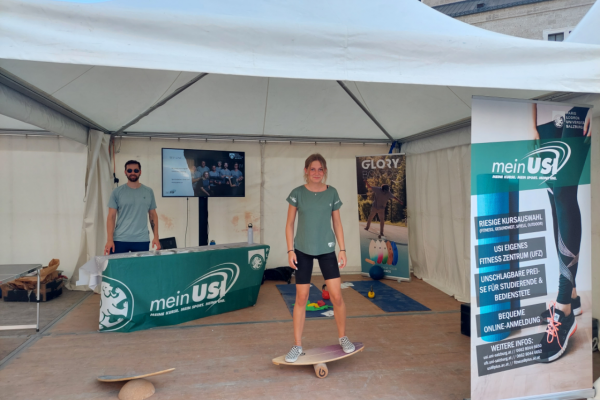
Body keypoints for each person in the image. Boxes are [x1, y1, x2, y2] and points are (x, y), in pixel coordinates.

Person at [533, 104, 591, 362]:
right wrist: (532, 122)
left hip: (576, 107)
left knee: (564, 193)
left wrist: (591, 108)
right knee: (553, 196)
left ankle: (564, 308)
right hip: (545, 115)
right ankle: (573, 296)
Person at [284, 153, 355, 363]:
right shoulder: (297, 193)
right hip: (302, 250)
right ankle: (297, 345)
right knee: (301, 298)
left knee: (336, 296)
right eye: (312, 169)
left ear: (325, 171)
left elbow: (337, 223)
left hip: (327, 249)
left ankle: (343, 337)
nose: (316, 173)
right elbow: (289, 224)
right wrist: (290, 250)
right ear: (306, 171)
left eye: (320, 169)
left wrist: (343, 249)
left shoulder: (332, 193)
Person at [104, 160, 161, 255]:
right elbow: (111, 216)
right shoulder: (117, 192)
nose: (132, 173)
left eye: (136, 170)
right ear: (125, 172)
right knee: (118, 265)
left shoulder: (148, 191)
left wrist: (156, 237)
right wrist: (109, 240)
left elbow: (153, 215)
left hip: (142, 239)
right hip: (120, 239)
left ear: (140, 172)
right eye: (129, 170)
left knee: (140, 265)